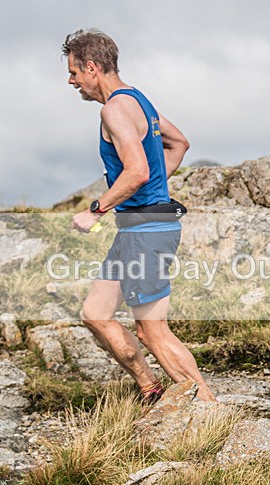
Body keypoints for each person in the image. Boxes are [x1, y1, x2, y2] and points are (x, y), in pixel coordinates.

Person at [61, 29, 215, 402]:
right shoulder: (138, 100)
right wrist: (152, 186)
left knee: (152, 330)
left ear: (92, 68)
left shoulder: (114, 109)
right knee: (96, 313)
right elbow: (179, 143)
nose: (71, 81)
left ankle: (208, 408)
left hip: (147, 230)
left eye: (74, 72)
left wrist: (95, 210)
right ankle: (150, 388)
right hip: (136, 228)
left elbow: (137, 172)